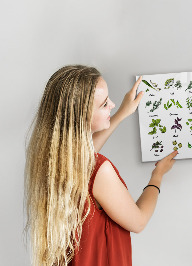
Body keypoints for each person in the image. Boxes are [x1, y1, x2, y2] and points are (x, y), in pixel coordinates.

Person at [24, 65, 177, 266]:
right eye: (105, 104)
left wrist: (122, 113)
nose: (112, 104)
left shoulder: (53, 159)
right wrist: (157, 175)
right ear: (81, 117)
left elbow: (86, 157)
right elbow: (138, 221)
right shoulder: (99, 170)